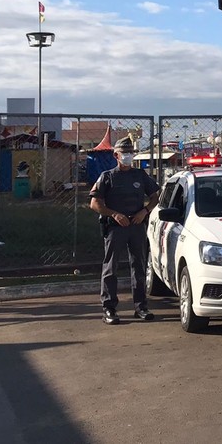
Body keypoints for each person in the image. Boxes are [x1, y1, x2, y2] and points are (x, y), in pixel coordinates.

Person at [89, 136, 160, 325]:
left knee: (139, 266)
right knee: (111, 268)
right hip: (115, 227)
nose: (127, 156)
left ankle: (141, 307)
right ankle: (109, 308)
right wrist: (113, 214)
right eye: (124, 153)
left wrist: (144, 211)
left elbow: (155, 197)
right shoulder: (107, 176)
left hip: (136, 226)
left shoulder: (140, 175)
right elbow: (94, 203)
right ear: (116, 155)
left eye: (130, 153)